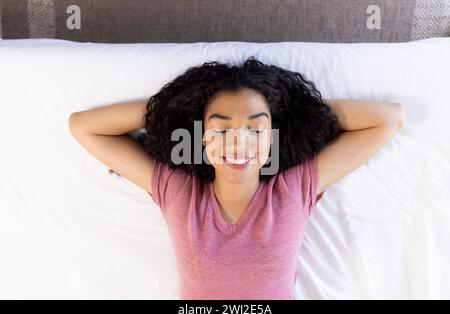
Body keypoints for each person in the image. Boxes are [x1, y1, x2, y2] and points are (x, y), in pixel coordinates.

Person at [68, 56, 405, 299]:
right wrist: (171, 108)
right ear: (200, 137)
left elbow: (389, 119)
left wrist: (301, 110)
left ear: (272, 137)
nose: (238, 142)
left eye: (255, 128)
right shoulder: (179, 193)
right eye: (222, 127)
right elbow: (84, 127)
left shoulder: (292, 190)